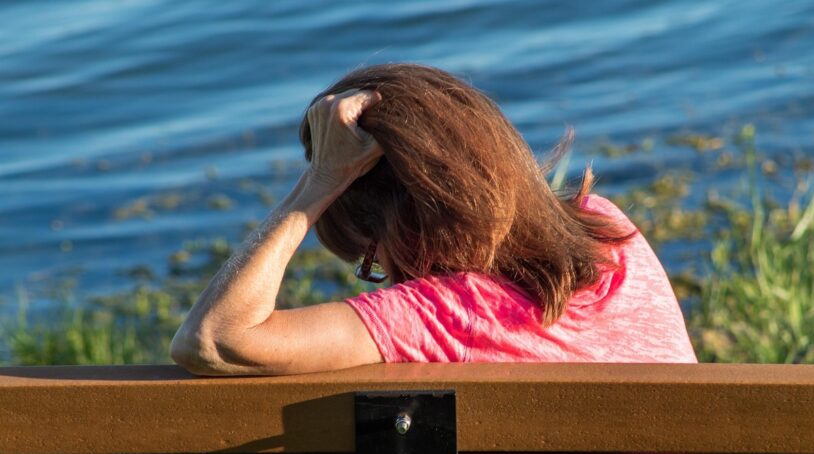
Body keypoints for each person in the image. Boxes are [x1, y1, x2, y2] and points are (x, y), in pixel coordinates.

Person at [171, 63, 697, 376]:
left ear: (393, 224)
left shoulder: (439, 315)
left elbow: (214, 339)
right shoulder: (609, 235)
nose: (385, 278)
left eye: (370, 261)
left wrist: (320, 184)